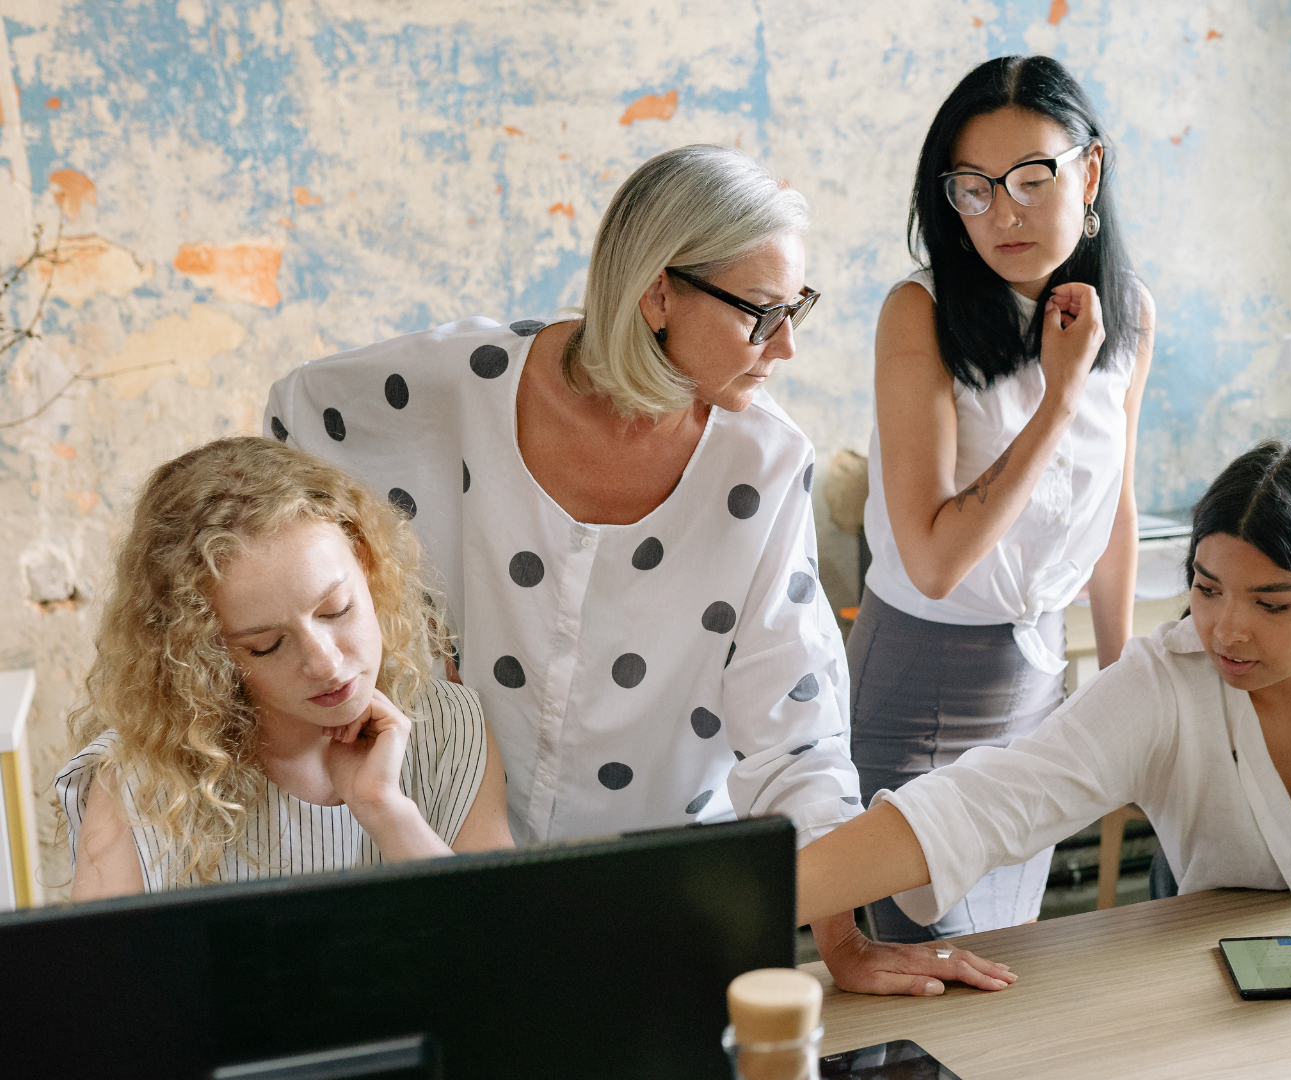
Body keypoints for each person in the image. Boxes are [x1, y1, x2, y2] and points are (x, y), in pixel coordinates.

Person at [264, 144, 1006, 995]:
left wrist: (843, 943)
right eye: (762, 313)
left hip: (663, 903)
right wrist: (390, 629)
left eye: (796, 307)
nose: (787, 346)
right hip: (450, 860)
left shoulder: (762, 466)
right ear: (658, 294)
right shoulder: (463, 384)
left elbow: (792, 729)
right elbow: (298, 423)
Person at [798, 439, 1291, 930]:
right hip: (1234, 975)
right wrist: (758, 906)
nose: (1227, 629)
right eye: (1208, 589)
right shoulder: (1163, 686)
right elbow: (987, 802)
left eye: (1272, 601)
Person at [851, 55, 1155, 942]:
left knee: (1006, 967)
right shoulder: (921, 312)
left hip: (1041, 686)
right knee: (921, 976)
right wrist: (1058, 398)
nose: (1004, 212)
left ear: (1089, 169)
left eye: (1031, 177)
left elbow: (1117, 506)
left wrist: (1123, 680)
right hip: (921, 683)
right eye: (974, 189)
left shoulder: (1127, 311)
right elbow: (936, 562)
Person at [57, 437, 513, 899]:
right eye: (267, 645)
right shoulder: (143, 780)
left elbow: (505, 961)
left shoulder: (452, 728)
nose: (326, 663)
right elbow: (101, 971)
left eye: (337, 610)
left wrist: (385, 811)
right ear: (205, 654)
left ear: (369, 568)